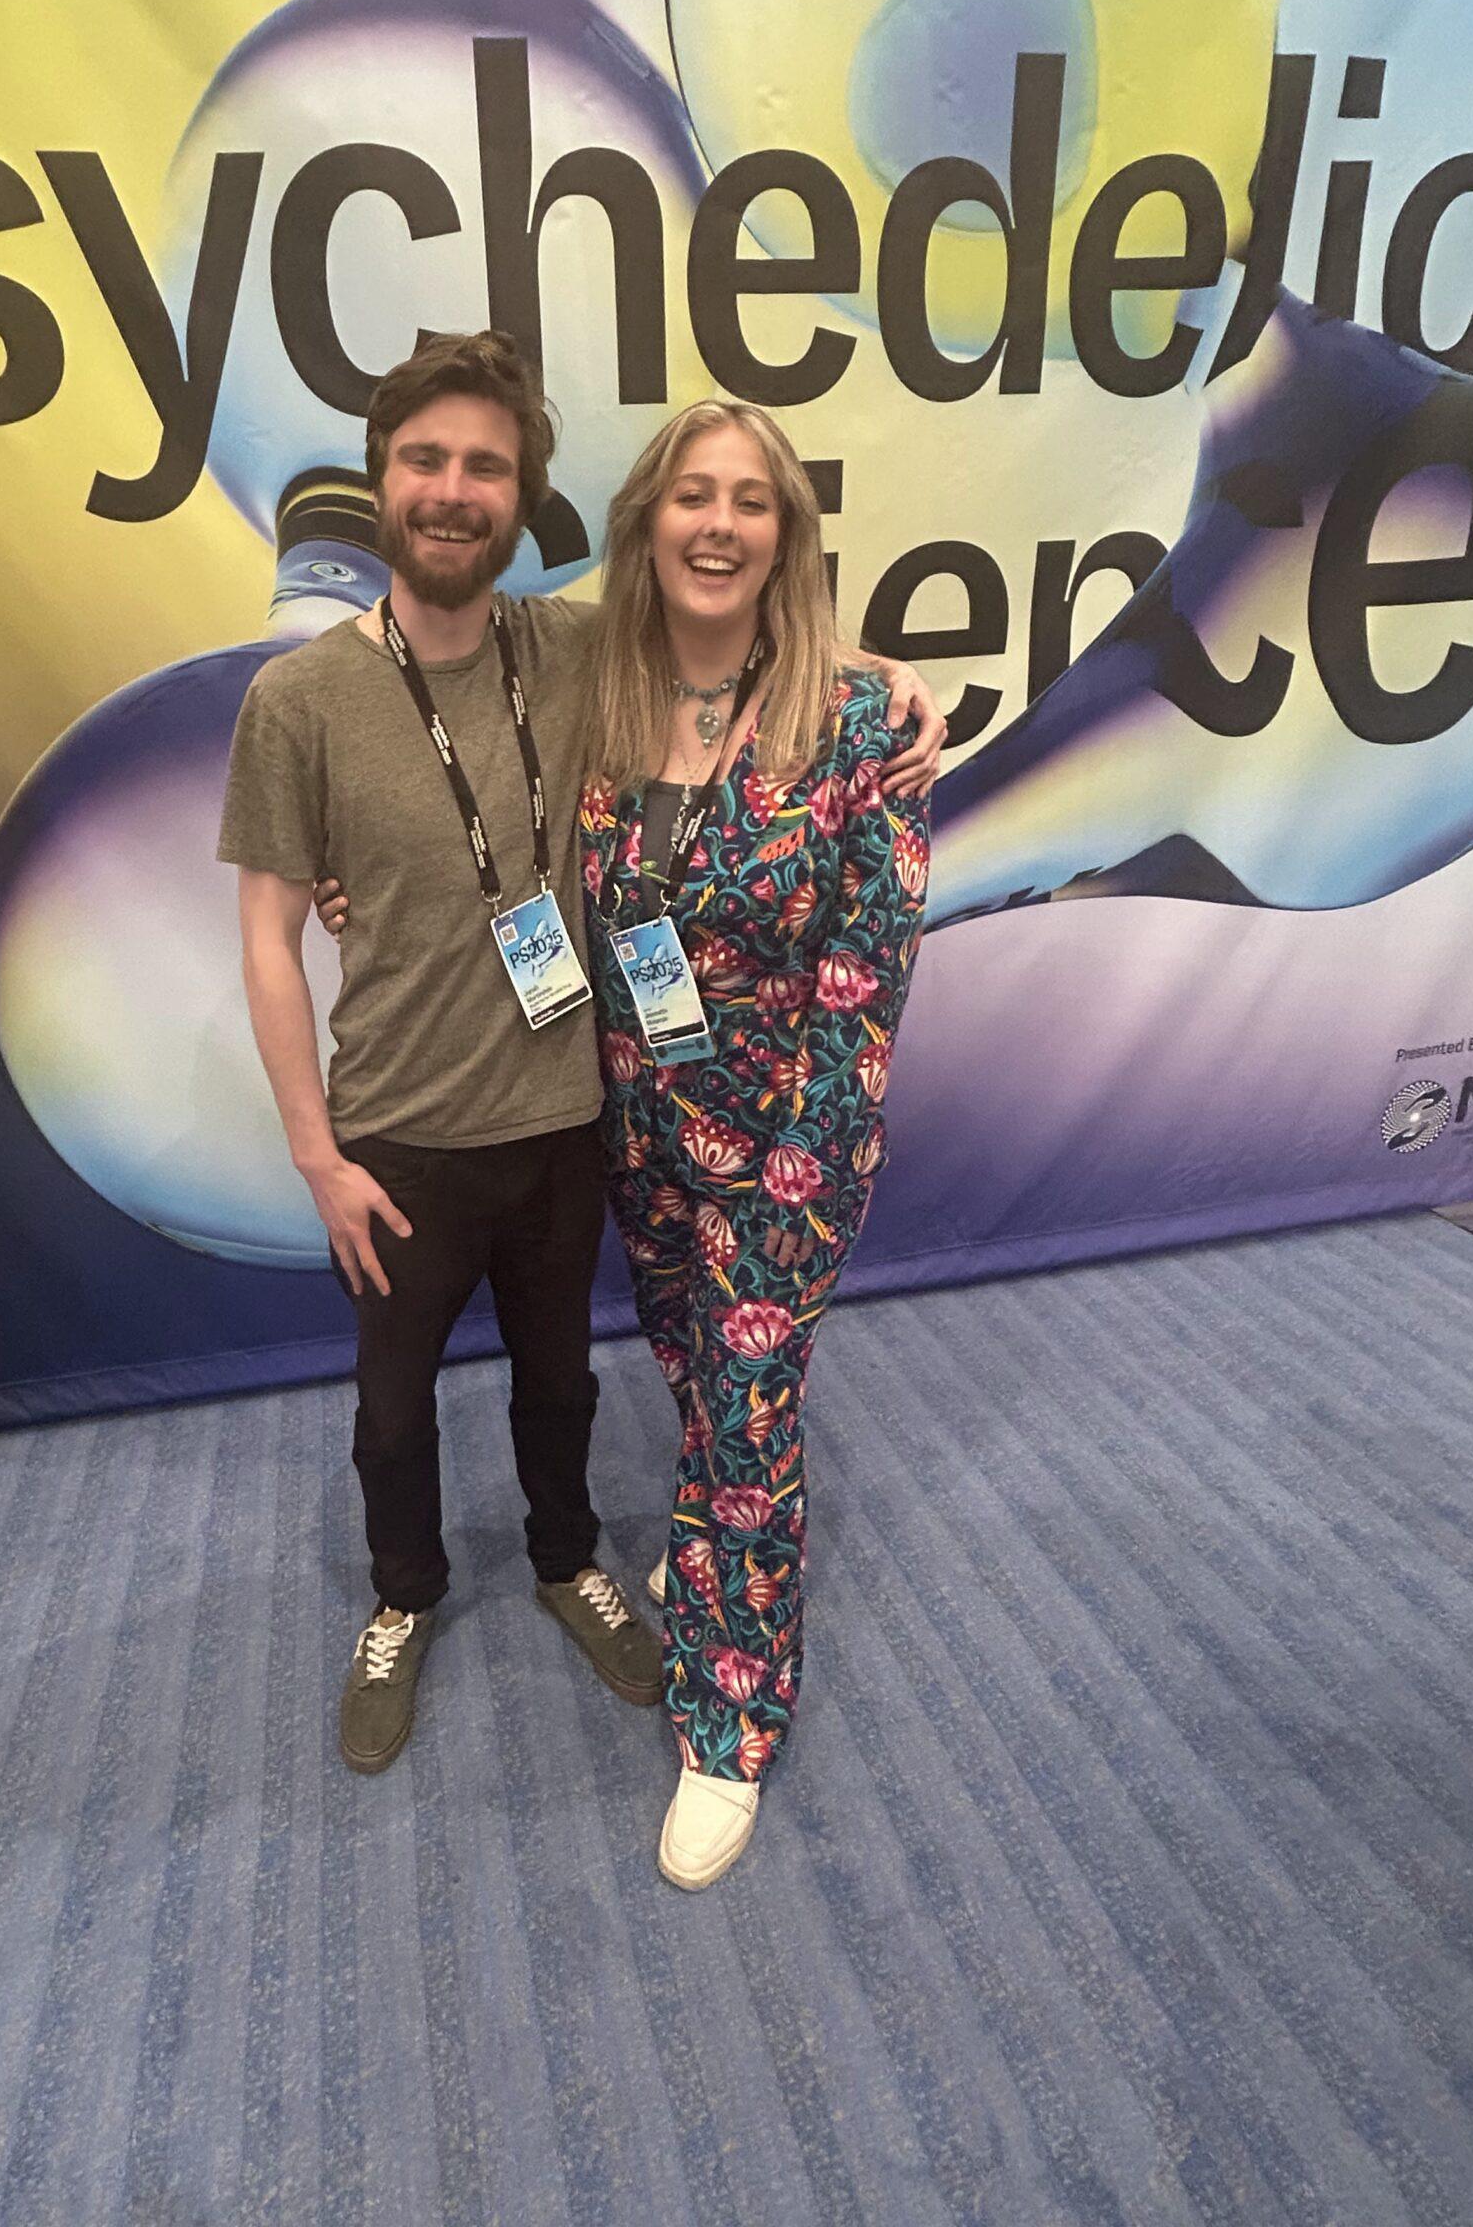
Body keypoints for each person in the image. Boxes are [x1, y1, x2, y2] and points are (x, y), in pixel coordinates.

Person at [226, 331, 945, 1781]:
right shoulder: (334, 697)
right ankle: (404, 1597)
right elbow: (270, 934)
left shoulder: (574, 655)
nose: (452, 490)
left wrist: (888, 675)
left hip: (620, 1121)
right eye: (425, 460)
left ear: (521, 498)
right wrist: (315, 1152)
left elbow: (753, 640)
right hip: (450, 1124)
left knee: (601, 1392)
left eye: (484, 467)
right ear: (378, 478)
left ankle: (642, 1637)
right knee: (401, 1411)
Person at [579, 400, 930, 1888]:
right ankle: (711, 1546)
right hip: (641, 1127)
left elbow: (868, 978)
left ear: (787, 535)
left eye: (750, 501)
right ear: (647, 522)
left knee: (745, 1417)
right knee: (692, 1375)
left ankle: (728, 1722)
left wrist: (799, 1173)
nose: (717, 524)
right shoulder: (596, 698)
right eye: (690, 494)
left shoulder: (860, 726)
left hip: (793, 1147)